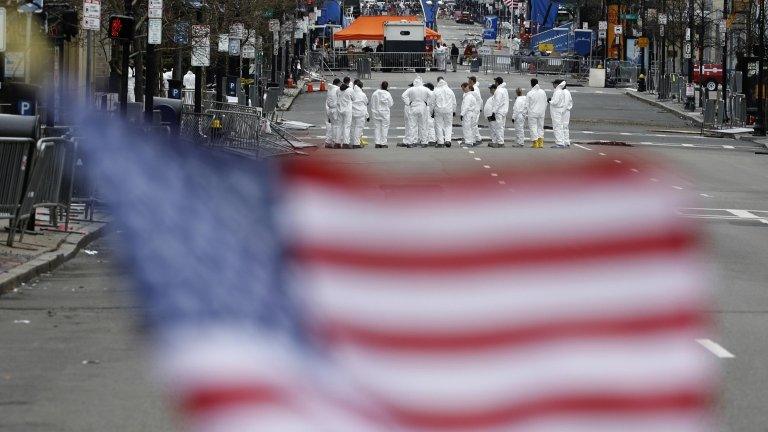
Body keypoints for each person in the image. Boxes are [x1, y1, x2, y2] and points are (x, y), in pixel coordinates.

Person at [401, 76, 431, 147]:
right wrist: (427, 103)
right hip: (422, 107)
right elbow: (432, 95)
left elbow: (403, 96)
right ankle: (424, 142)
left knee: (412, 125)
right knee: (423, 125)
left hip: (413, 107)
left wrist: (408, 103)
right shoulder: (425, 89)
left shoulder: (411, 89)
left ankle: (411, 141)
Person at [433, 77, 457, 148]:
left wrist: (431, 111)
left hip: (438, 110)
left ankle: (440, 142)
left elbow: (432, 102)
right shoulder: (450, 90)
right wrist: (454, 111)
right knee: (448, 125)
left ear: (438, 81)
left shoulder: (436, 90)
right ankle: (448, 140)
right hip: (448, 110)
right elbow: (454, 102)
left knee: (438, 125)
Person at [549, 79, 573, 148]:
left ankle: (561, 142)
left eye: (554, 84)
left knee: (560, 126)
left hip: (563, 111)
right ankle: (565, 141)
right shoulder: (564, 91)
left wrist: (563, 110)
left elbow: (564, 103)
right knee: (563, 126)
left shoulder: (563, 92)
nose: (553, 85)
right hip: (564, 111)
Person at [370, 81, 394, 148]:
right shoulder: (387, 94)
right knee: (384, 127)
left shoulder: (375, 93)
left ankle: (377, 143)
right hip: (385, 112)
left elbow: (372, 102)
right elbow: (391, 104)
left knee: (377, 127)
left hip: (376, 112)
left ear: (381, 86)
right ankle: (383, 143)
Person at [526, 78, 547, 148]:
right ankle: (541, 142)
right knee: (540, 127)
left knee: (533, 127)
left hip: (532, 113)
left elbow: (526, 104)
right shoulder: (543, 92)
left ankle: (535, 142)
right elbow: (545, 102)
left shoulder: (530, 93)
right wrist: (543, 110)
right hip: (541, 112)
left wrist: (527, 112)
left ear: (531, 84)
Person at [489, 76, 509, 147]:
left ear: (497, 82)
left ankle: (500, 142)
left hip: (499, 111)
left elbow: (497, 102)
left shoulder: (498, 91)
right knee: (502, 127)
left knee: (498, 127)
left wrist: (493, 112)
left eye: (495, 82)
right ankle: (501, 141)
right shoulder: (505, 90)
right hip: (504, 110)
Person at [335, 78, 354, 148]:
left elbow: (337, 96)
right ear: (349, 82)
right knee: (347, 126)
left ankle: (337, 142)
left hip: (339, 109)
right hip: (347, 110)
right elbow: (354, 98)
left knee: (339, 126)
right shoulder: (350, 90)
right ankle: (346, 143)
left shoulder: (338, 90)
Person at [460, 82, 480, 147]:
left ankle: (468, 142)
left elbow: (466, 106)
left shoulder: (468, 96)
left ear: (466, 87)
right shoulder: (470, 95)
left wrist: (462, 114)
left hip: (467, 114)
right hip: (471, 113)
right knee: (471, 128)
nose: (463, 90)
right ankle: (471, 140)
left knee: (467, 128)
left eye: (463, 88)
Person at [351, 79, 369, 149]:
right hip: (360, 114)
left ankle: (352, 142)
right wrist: (367, 115)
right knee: (358, 129)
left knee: (353, 128)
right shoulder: (362, 94)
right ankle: (356, 143)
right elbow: (366, 102)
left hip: (352, 113)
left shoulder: (352, 92)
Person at [324, 78, 341, 148]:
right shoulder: (337, 90)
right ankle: (336, 142)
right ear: (338, 83)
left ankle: (328, 141)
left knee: (331, 126)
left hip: (329, 110)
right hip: (335, 109)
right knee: (336, 126)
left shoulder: (330, 90)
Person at [468, 76, 483, 143]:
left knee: (473, 125)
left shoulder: (475, 89)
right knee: (473, 125)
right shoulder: (474, 88)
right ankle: (477, 138)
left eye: (470, 81)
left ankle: (474, 139)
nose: (468, 82)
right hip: (475, 109)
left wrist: (479, 108)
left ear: (473, 82)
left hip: (475, 109)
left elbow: (479, 99)